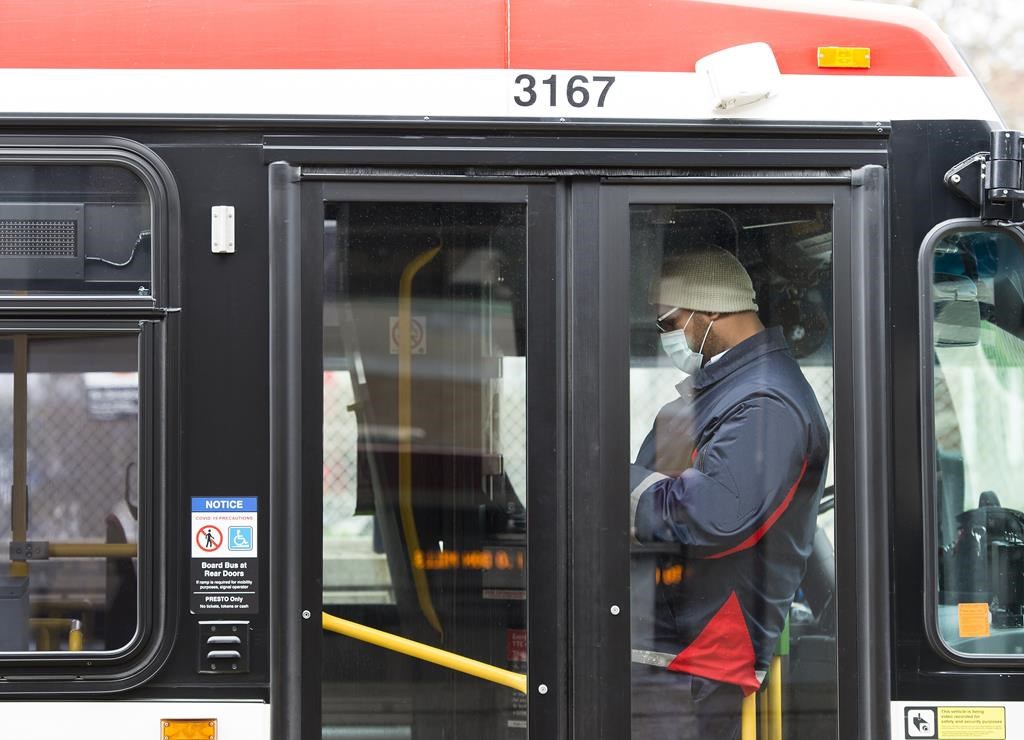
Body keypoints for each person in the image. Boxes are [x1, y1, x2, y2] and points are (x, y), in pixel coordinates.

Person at [629, 246, 829, 740]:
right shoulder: (732, 388)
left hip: (701, 651)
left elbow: (711, 515)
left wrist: (612, 481)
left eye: (669, 322)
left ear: (709, 310)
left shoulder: (765, 403)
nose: (667, 335)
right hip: (681, 644)